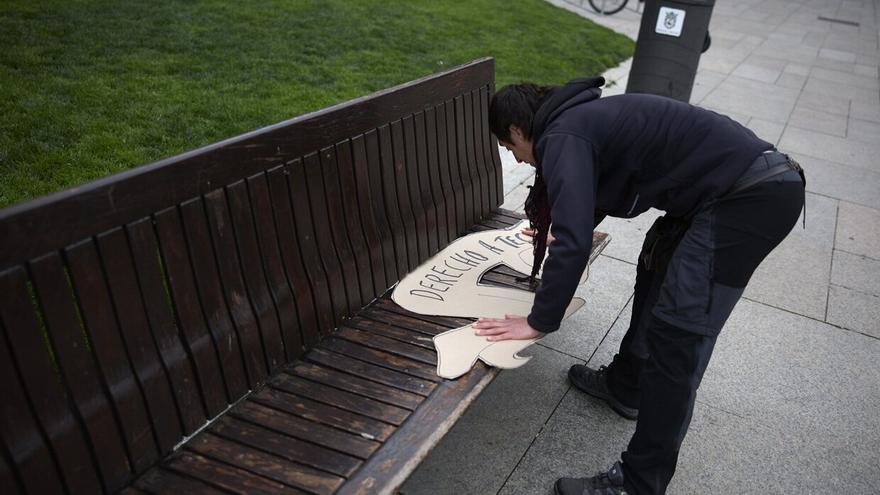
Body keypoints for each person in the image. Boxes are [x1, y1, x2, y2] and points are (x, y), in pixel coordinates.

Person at [472, 77, 805, 495]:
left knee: (677, 337)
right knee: (657, 260)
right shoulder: (577, 119)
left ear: (518, 131)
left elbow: (574, 239)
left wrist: (538, 321)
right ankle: (626, 385)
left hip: (749, 200)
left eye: (509, 149)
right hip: (738, 189)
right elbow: (592, 198)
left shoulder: (562, 134)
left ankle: (638, 484)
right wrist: (562, 228)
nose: (519, 162)